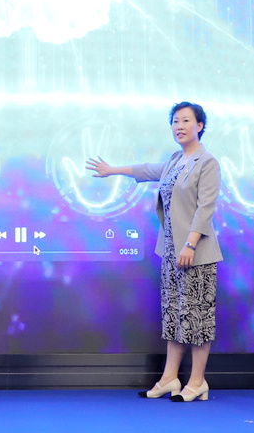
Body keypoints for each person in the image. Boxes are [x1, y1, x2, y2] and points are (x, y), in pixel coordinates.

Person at [86, 102, 222, 402]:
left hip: (196, 252)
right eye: (175, 121)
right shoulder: (175, 159)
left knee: (197, 317)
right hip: (171, 251)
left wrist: (190, 244)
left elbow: (205, 208)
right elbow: (147, 170)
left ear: (200, 126)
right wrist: (112, 170)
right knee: (174, 315)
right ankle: (169, 378)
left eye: (186, 121)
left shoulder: (207, 162)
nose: (179, 126)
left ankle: (197, 381)